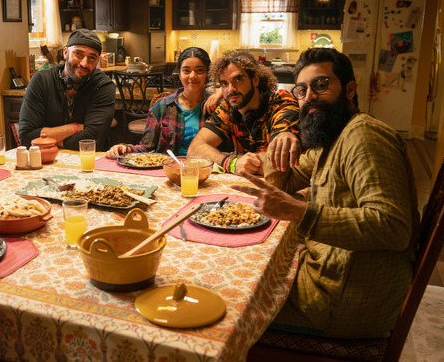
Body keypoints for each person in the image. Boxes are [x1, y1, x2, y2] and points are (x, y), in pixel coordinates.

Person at [233, 48, 419, 339]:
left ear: (349, 89)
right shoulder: (334, 135)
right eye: (302, 90)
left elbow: (393, 228)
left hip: (344, 304)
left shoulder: (364, 136)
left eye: (321, 85)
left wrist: (298, 211)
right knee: (252, 267)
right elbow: (285, 180)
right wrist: (283, 136)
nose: (309, 97)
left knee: (234, 296)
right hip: (332, 280)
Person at [187, 50, 300, 176]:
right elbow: (194, 149)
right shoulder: (227, 107)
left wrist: (241, 160)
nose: (231, 90)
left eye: (238, 80)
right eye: (224, 83)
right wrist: (232, 162)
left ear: (255, 80)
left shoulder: (281, 102)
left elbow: (280, 162)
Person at [106, 47, 216, 157]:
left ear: (207, 73)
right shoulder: (162, 106)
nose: (192, 76)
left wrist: (220, 92)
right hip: (168, 169)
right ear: (179, 74)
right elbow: (146, 147)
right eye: (186, 70)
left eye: (199, 70)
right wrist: (125, 148)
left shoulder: (217, 107)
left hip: (206, 169)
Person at [19, 29, 115, 151]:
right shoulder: (41, 81)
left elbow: (93, 141)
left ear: (97, 61)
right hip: (47, 162)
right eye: (78, 54)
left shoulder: (103, 86)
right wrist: (75, 128)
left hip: (91, 163)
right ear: (65, 52)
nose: (84, 64)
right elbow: (27, 138)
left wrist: (49, 140)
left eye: (92, 57)